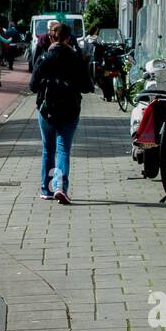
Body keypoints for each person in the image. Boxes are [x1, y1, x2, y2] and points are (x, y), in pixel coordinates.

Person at [29, 22, 93, 204]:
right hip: (70, 110)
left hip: (47, 109)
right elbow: (87, 87)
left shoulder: (44, 58)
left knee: (48, 149)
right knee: (63, 149)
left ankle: (46, 189)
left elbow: (32, 86)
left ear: (50, 37)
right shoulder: (75, 59)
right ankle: (60, 187)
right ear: (68, 38)